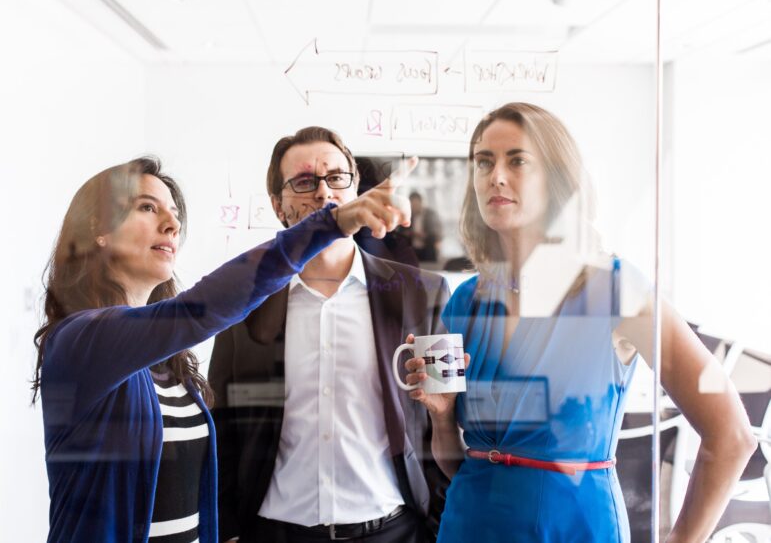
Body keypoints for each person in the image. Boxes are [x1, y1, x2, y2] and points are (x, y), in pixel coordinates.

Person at [405, 102, 757, 542]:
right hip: (470, 526)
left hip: (574, 529)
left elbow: (732, 436)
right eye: (484, 162)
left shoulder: (616, 290)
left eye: (517, 161)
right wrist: (441, 418)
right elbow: (460, 463)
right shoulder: (466, 301)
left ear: (558, 180)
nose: (496, 176)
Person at [32, 154, 415, 543]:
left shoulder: (165, 362)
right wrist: (333, 222)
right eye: (147, 207)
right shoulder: (81, 340)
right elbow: (202, 308)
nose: (172, 224)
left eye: (174, 213)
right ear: (98, 229)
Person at [208, 127, 450, 543]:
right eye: (304, 182)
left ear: (356, 190)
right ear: (278, 205)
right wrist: (227, 531)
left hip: (394, 531)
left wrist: (438, 526)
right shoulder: (245, 299)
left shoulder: (421, 294)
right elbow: (222, 428)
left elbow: (442, 418)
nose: (324, 193)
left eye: (337, 177)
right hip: (274, 533)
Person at [407, 192, 443, 263]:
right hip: (413, 250)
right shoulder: (408, 216)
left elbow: (436, 233)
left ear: (421, 203)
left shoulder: (431, 214)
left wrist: (424, 235)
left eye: (416, 204)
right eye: (412, 205)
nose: (414, 207)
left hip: (428, 249)